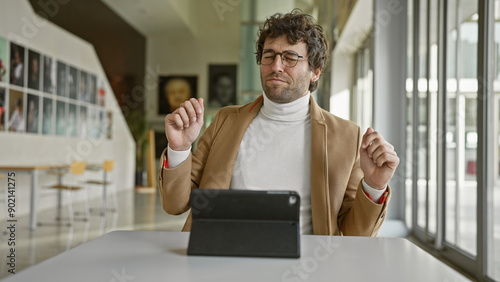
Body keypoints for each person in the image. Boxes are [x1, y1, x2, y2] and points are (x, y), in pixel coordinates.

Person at [159, 10, 399, 236]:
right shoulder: (225, 120)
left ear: (315, 70)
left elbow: (354, 233)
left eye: (290, 57)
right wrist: (179, 148)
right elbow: (175, 204)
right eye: (269, 55)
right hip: (220, 257)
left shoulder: (347, 136)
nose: (276, 66)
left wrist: (374, 185)